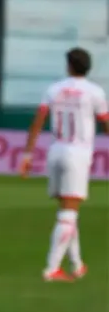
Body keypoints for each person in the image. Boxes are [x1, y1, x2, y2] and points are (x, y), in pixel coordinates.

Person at [20, 47, 109, 282]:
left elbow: (38, 122)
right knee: (69, 213)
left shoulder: (54, 89)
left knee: (67, 211)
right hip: (77, 154)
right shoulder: (94, 92)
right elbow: (106, 124)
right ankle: (52, 268)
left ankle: (77, 264)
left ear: (68, 65)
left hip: (56, 151)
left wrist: (27, 155)